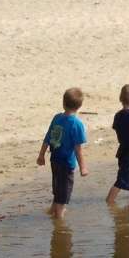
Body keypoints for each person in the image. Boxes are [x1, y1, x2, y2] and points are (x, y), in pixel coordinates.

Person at [37, 87, 89, 220]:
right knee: (63, 195)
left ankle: (51, 211)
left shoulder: (57, 118)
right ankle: (59, 221)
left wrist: (41, 155)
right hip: (66, 164)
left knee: (58, 189)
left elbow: (47, 137)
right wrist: (83, 167)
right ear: (79, 106)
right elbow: (78, 149)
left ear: (63, 103)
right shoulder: (76, 124)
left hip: (54, 160)